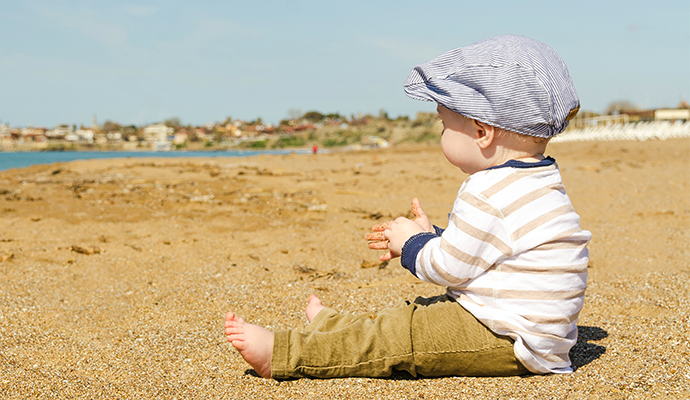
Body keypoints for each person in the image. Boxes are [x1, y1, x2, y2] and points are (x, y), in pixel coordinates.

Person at [224, 34, 591, 379]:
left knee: (401, 335)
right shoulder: (540, 179)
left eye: (445, 124)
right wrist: (433, 236)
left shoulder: (486, 189)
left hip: (509, 338)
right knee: (414, 313)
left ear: (482, 132)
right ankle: (333, 327)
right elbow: (490, 251)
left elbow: (449, 269)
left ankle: (285, 354)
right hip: (536, 334)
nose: (442, 133)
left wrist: (411, 245)